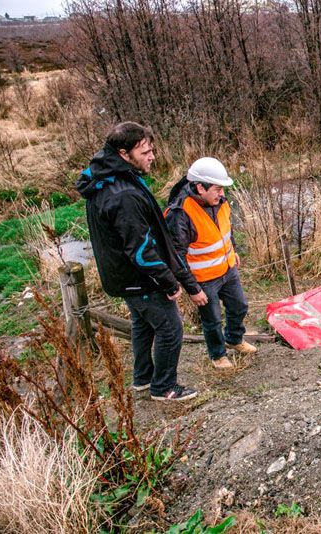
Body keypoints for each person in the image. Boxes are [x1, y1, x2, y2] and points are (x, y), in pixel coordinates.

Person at [76, 122, 203, 401]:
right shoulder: (122, 194)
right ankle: (164, 387)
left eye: (152, 150)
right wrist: (170, 282)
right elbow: (141, 251)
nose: (152, 156)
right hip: (139, 278)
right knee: (171, 329)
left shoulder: (109, 175)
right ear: (124, 153)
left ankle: (143, 379)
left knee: (143, 325)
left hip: (124, 277)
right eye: (145, 151)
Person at [165, 157, 257, 369]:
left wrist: (232, 250)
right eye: (217, 189)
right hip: (204, 279)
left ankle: (234, 339)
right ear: (200, 187)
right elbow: (176, 257)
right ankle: (217, 355)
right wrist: (193, 289)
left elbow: (226, 228)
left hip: (228, 268)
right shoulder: (180, 214)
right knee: (212, 320)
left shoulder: (219, 201)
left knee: (239, 306)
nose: (222, 193)